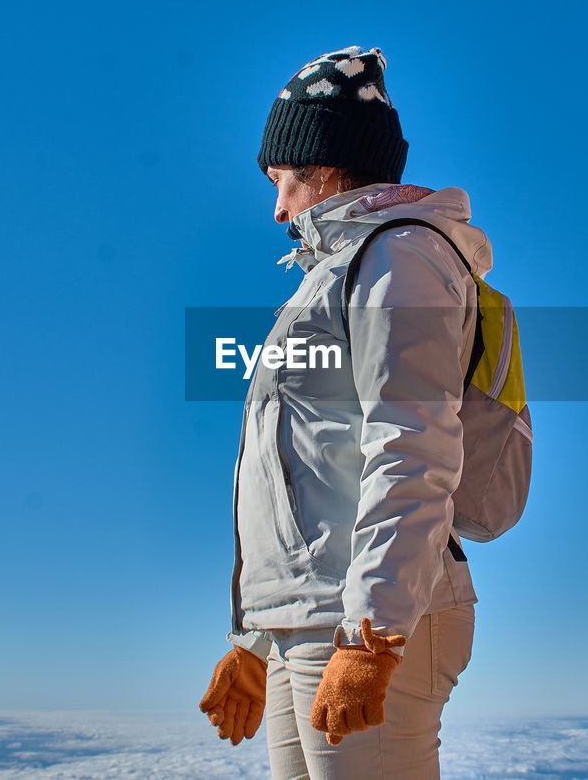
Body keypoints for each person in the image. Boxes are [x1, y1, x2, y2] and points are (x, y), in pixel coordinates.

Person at [200, 46, 495, 779]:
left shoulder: (401, 260)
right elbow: (309, 467)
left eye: (282, 180)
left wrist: (372, 635)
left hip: (369, 618)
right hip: (310, 618)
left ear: (324, 167)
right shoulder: (329, 278)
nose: (276, 207)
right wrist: (254, 636)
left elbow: (412, 447)